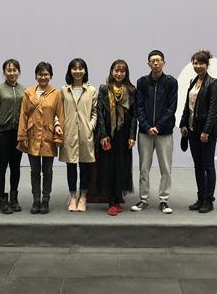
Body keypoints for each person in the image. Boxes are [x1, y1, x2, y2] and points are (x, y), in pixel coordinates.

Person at [132, 50, 178, 214]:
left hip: (164, 132)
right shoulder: (142, 82)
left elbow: (171, 108)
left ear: (164, 63)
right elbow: (139, 106)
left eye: (158, 60)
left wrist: (158, 127)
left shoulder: (171, 82)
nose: (156, 63)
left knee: (165, 168)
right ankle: (143, 199)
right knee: (144, 168)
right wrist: (146, 127)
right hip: (145, 133)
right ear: (148, 64)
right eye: (152, 60)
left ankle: (164, 200)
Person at [17, 62, 65, 214]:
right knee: (34, 171)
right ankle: (36, 200)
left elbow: (60, 115)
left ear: (50, 76)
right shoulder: (28, 93)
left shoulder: (56, 93)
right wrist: (22, 135)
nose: (43, 77)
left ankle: (45, 200)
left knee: (48, 171)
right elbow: (23, 115)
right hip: (32, 136)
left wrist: (58, 136)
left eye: (46, 74)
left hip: (48, 136)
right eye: (40, 74)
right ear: (36, 76)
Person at [180, 50, 217, 213]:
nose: (198, 66)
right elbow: (187, 105)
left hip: (207, 131)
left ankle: (209, 200)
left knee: (208, 166)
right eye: (195, 63)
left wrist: (206, 131)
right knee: (198, 165)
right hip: (192, 130)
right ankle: (200, 197)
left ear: (207, 64)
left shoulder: (213, 83)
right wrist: (183, 123)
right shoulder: (193, 81)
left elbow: (213, 110)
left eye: (201, 63)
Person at [97, 60, 137, 216]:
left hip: (124, 134)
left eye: (122, 71)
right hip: (108, 134)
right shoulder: (104, 89)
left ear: (126, 73)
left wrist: (132, 135)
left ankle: (118, 198)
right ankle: (111, 202)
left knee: (121, 166)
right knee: (108, 167)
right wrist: (103, 134)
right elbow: (100, 113)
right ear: (111, 71)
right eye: (116, 71)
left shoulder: (131, 90)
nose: (119, 74)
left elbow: (134, 116)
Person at [0, 59, 26, 214]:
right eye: (9, 70)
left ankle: (14, 198)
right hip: (2, 133)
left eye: (15, 70)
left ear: (19, 72)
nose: (12, 73)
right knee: (2, 166)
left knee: (16, 166)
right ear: (4, 72)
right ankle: (2, 200)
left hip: (18, 133)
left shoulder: (24, 90)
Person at [59, 58, 97, 212]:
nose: (77, 71)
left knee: (85, 166)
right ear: (70, 71)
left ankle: (83, 196)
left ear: (85, 71)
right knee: (71, 166)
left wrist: (90, 126)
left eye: (81, 68)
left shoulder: (91, 90)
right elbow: (58, 112)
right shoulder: (63, 90)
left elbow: (95, 112)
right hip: (69, 133)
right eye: (74, 68)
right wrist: (59, 125)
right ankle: (73, 196)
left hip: (85, 133)